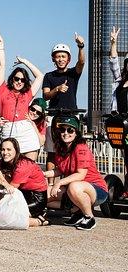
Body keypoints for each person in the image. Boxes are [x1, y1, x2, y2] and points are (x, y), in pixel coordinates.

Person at [44, 116, 107, 231]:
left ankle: (89, 217)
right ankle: (76, 211)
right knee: (44, 194)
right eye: (62, 130)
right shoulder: (61, 148)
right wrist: (43, 174)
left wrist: (58, 183)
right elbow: (60, 170)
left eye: (70, 130)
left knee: (74, 186)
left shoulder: (80, 147)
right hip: (73, 189)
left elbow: (80, 175)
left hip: (96, 189)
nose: (65, 133)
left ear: (76, 133)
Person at [0, 29, 43, 160]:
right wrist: (1, 44)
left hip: (26, 130)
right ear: (12, 79)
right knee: (9, 168)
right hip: (8, 128)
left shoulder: (27, 93)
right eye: (17, 78)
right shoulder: (2, 90)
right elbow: (1, 65)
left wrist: (24, 62)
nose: (19, 82)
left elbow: (40, 76)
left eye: (23, 80)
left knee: (29, 167)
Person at [42, 34, 85, 181]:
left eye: (63, 56)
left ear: (68, 59)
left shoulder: (73, 74)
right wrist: (57, 89)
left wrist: (80, 46)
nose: (60, 59)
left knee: (72, 150)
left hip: (71, 116)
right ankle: (50, 186)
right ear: (53, 59)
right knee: (52, 152)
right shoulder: (49, 76)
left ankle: (69, 183)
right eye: (58, 56)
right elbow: (46, 95)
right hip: (54, 116)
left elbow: (82, 62)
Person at [0, 137, 49, 227]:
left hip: (36, 199)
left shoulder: (23, 165)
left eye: (9, 149)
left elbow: (10, 189)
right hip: (23, 193)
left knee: (8, 216)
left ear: (16, 150)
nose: (5, 152)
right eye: (3, 149)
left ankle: (40, 219)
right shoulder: (7, 161)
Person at [108, 26, 128, 198]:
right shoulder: (120, 81)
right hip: (122, 124)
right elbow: (113, 62)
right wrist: (113, 42)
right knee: (126, 157)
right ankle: (126, 189)